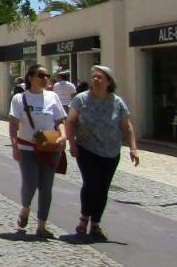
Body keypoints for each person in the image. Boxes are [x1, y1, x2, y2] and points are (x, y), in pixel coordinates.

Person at [64, 65, 138, 241]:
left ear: (109, 82)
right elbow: (70, 122)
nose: (95, 80)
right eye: (94, 77)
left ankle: (95, 223)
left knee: (103, 187)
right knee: (91, 183)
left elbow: (126, 126)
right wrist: (72, 144)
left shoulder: (117, 102)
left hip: (111, 151)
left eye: (100, 78)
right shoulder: (81, 100)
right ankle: (84, 219)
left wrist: (133, 148)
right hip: (87, 148)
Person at [8, 64, 67, 239]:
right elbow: (13, 126)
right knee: (30, 183)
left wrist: (63, 136)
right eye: (41, 75)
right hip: (27, 148)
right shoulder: (20, 99)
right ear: (31, 77)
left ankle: (42, 226)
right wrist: (14, 146)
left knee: (46, 188)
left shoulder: (53, 97)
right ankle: (25, 208)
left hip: (49, 148)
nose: (45, 78)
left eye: (47, 75)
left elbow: (60, 121)